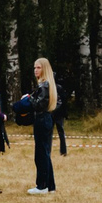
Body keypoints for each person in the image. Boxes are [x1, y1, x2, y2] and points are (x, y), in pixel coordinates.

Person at [25, 56, 61, 193]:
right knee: (45, 153)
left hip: (42, 119)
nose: (35, 70)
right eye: (34, 67)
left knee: (41, 154)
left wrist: (29, 98)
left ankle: (42, 185)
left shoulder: (44, 85)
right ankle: (50, 185)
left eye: (38, 67)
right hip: (46, 119)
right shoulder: (49, 85)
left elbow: (38, 105)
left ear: (44, 69)